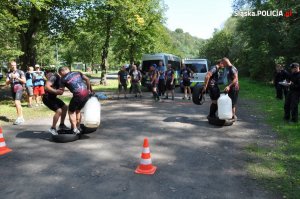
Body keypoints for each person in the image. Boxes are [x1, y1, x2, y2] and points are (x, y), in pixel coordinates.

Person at [58, 66, 92, 134]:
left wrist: (53, 90)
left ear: (61, 72)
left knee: (71, 111)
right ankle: (78, 126)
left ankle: (74, 129)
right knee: (78, 110)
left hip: (78, 95)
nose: (60, 75)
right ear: (68, 69)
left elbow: (61, 92)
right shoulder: (77, 72)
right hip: (86, 94)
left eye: (60, 73)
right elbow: (87, 79)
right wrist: (89, 90)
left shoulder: (62, 79)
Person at [43, 70, 69, 135]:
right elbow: (46, 87)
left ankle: (62, 125)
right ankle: (53, 128)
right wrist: (56, 91)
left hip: (53, 98)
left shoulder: (62, 79)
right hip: (47, 98)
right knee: (59, 110)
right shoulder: (54, 77)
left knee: (65, 107)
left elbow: (62, 90)